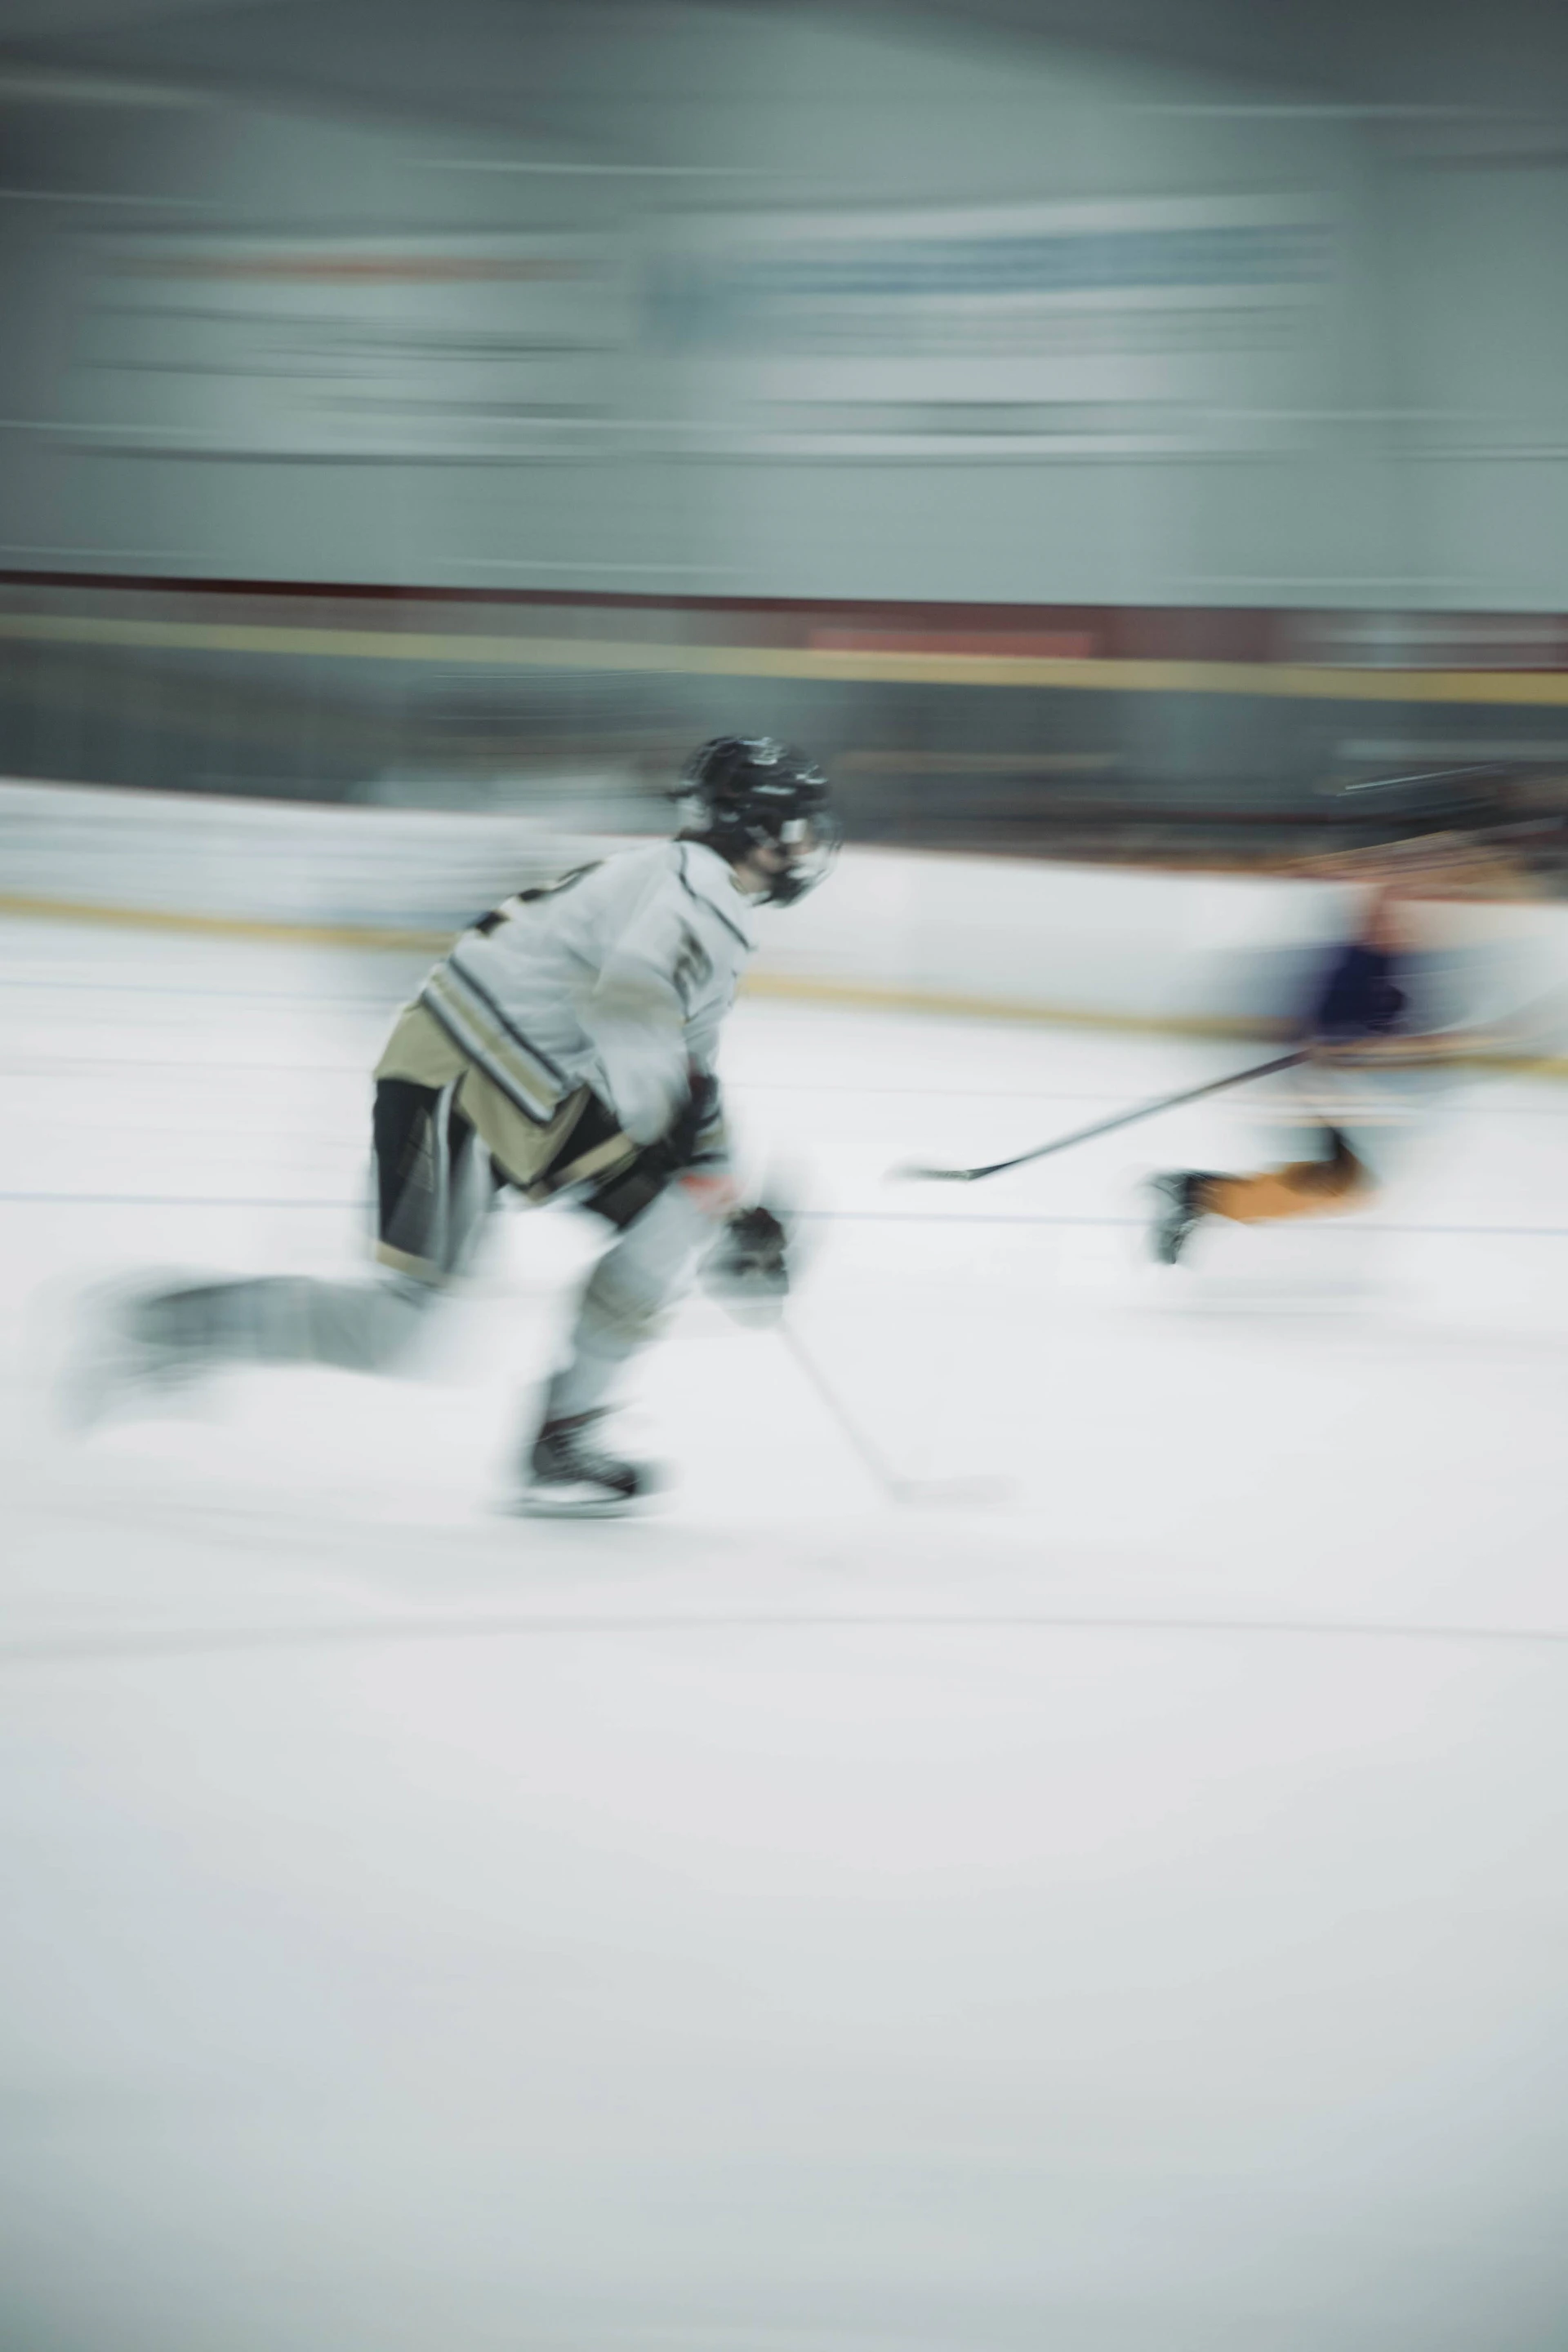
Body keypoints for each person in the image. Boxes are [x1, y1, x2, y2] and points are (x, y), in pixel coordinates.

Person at [69, 736, 840, 1513]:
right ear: (756, 827)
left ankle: (564, 1435)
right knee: (398, 1330)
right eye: (796, 829)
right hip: (461, 1083)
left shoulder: (688, 888)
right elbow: (633, 1014)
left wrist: (719, 1192)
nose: (804, 849)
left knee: (670, 1220)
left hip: (525, 1085)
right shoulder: (694, 895)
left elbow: (683, 1062)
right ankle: (172, 1324)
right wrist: (696, 1165)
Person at [1147, 826, 1524, 1268]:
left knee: (1336, 1182)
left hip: (1331, 1086)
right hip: (1319, 1086)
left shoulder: (1385, 960)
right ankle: (1199, 1194)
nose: (1403, 920)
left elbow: (1393, 1022)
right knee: (1338, 1183)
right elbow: (1332, 1024)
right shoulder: (1356, 961)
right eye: (1389, 912)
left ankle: (1200, 1194)